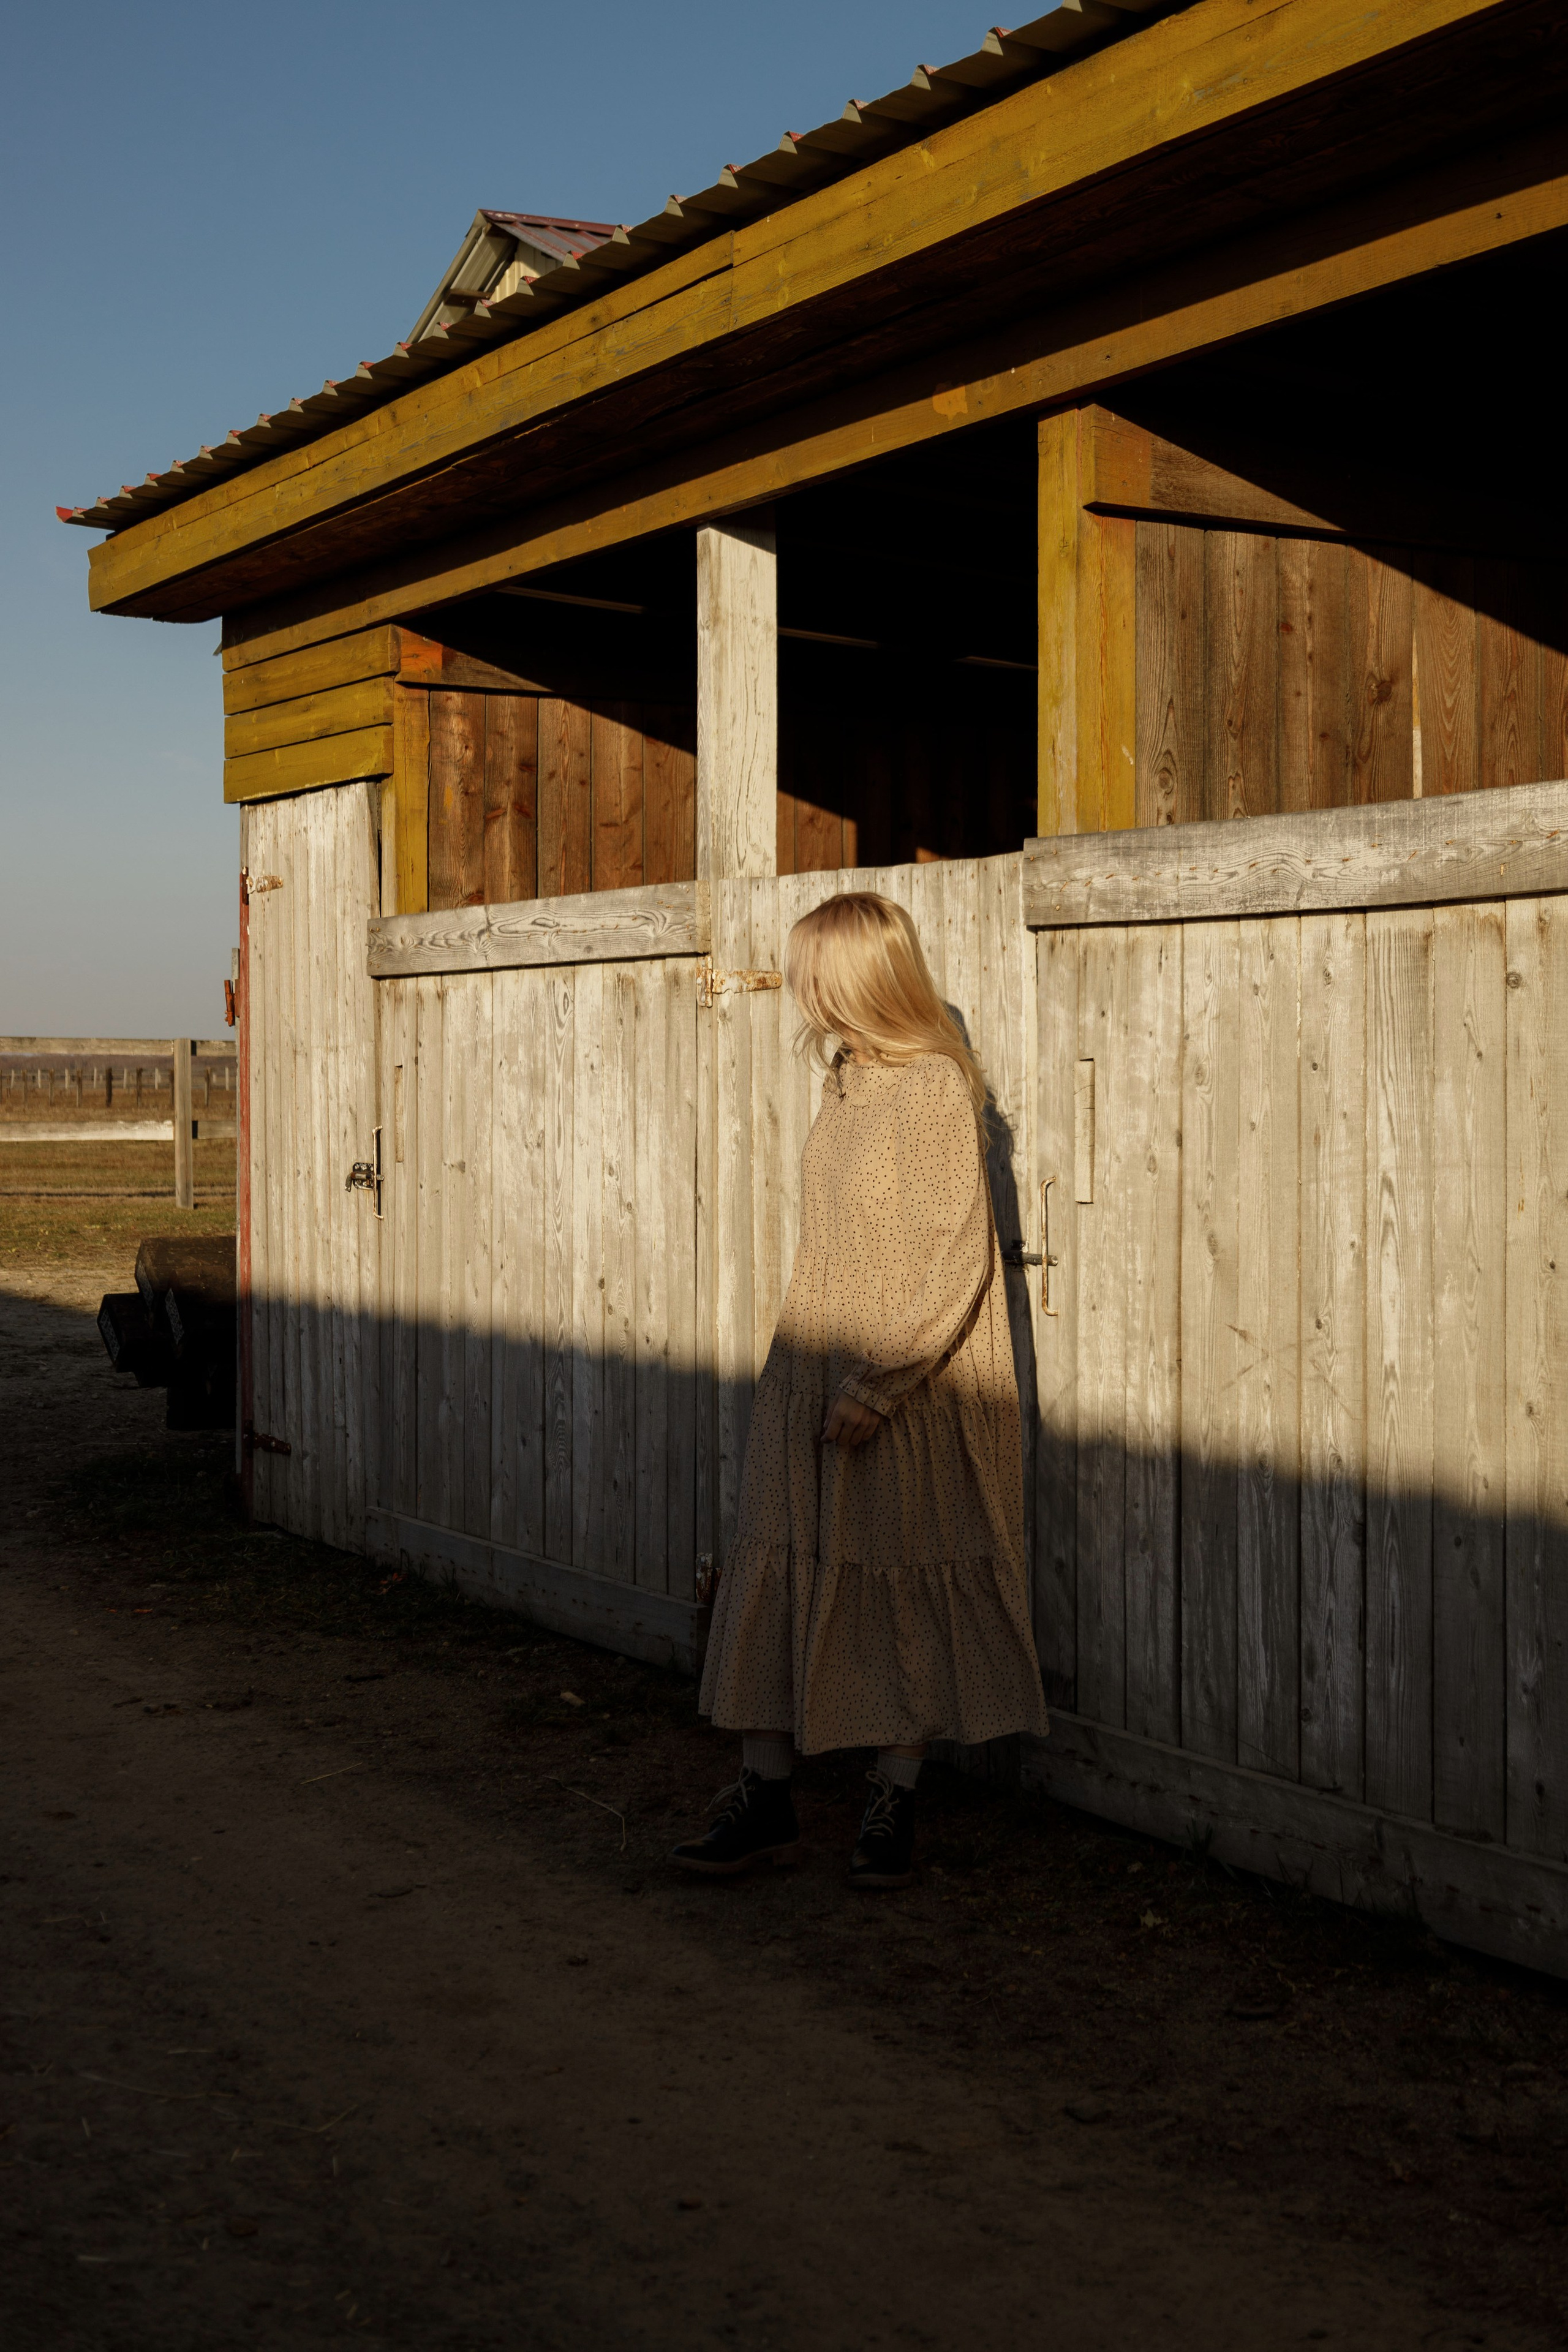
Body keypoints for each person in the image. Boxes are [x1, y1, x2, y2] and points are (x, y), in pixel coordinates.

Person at [673, 891, 1048, 1890]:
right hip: (812, 1358)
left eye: (812, 971)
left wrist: (879, 1384)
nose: (799, 989)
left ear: (859, 977)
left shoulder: (930, 1086)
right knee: (774, 1555)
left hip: (905, 1377)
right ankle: (765, 1793)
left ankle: (894, 1803)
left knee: (903, 1583)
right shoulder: (844, 1078)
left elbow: (955, 1256)